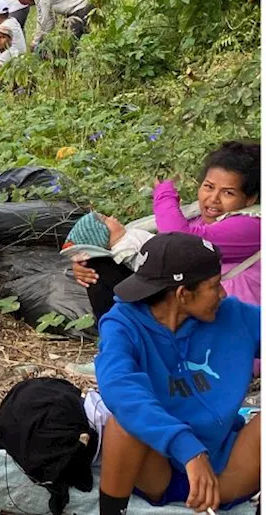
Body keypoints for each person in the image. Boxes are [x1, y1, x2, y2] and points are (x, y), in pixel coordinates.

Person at [94, 233, 260, 515]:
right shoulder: (123, 324)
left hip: (225, 473)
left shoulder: (234, 315)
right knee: (123, 424)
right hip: (161, 470)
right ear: (183, 294)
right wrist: (187, 449)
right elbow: (119, 388)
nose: (223, 293)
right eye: (215, 285)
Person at [74, 141, 261, 312]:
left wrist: (164, 194)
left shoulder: (253, 226)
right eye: (208, 187)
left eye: (228, 192)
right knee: (99, 266)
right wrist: (87, 264)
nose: (213, 198)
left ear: (250, 198)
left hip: (228, 321)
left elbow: (180, 241)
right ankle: (118, 339)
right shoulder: (197, 217)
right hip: (193, 308)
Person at [17, 0, 95, 47]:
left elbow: (42, 19)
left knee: (71, 38)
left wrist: (35, 42)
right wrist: (45, 39)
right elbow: (50, 21)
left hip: (84, 2)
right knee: (67, 36)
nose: (30, 6)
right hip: (80, 3)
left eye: (27, 3)